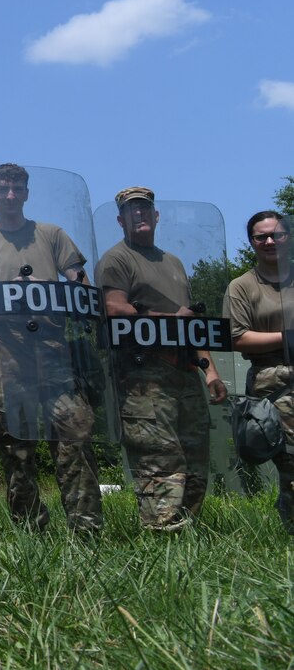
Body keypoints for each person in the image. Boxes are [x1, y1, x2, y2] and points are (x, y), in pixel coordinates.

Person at [0, 163, 102, 534]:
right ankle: (29, 531)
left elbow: (83, 288)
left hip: (56, 352)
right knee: (14, 446)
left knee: (76, 435)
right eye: (3, 189)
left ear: (27, 193)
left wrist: (57, 290)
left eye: (17, 188)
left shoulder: (52, 235)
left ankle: (86, 530)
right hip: (6, 355)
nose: (10, 195)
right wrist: (10, 305)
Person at [96, 186, 227, 531]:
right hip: (144, 378)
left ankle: (188, 536)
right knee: (160, 463)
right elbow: (114, 310)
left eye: (145, 209)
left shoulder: (173, 262)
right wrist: (170, 320)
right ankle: (161, 541)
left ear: (155, 216)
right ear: (120, 220)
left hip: (185, 372)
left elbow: (192, 323)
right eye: (131, 210)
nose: (139, 214)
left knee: (196, 462)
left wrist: (210, 371)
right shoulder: (117, 258)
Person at [224, 210, 294, 534]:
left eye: (276, 234)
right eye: (260, 236)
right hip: (273, 380)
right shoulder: (242, 287)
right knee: (291, 461)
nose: (269, 241)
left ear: (288, 236)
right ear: (251, 242)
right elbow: (237, 338)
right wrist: (287, 337)